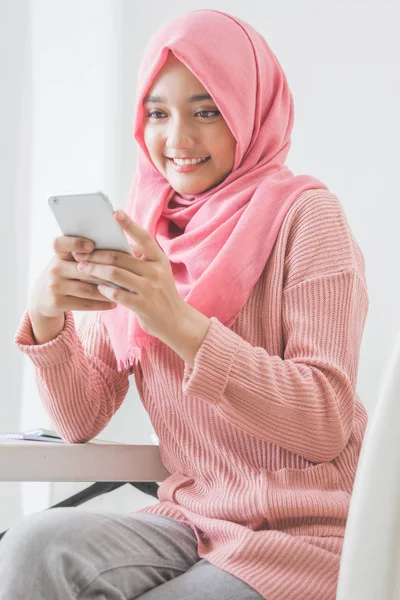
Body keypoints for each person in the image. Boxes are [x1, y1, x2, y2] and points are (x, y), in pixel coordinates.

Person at [1, 8, 369, 600]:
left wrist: (179, 324)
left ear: (251, 112)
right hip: (192, 523)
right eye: (157, 113)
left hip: (307, 534)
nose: (177, 140)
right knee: (32, 548)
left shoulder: (307, 217)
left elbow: (324, 423)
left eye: (207, 110)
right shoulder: (147, 228)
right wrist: (48, 321)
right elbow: (80, 419)